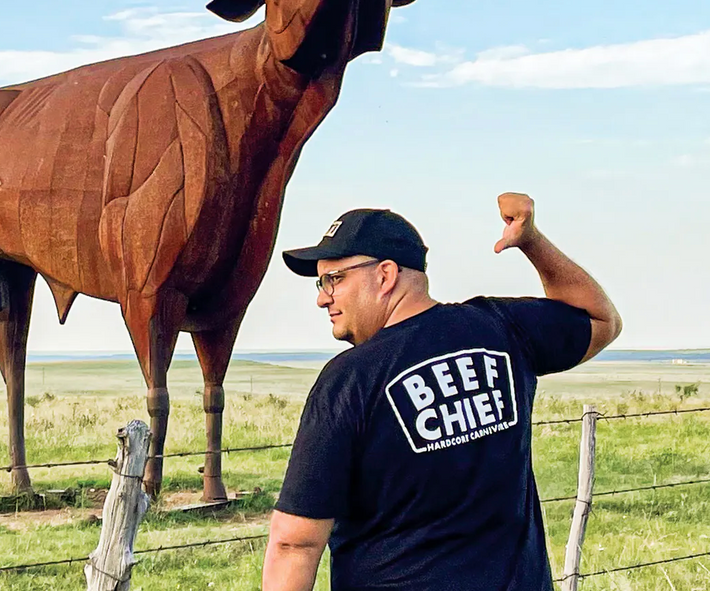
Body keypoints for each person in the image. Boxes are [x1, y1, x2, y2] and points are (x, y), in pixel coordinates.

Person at [261, 193, 622, 591]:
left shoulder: (348, 381)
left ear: (384, 275)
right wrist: (532, 241)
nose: (321, 297)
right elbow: (600, 319)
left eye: (335, 279)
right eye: (321, 281)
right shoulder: (502, 329)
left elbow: (294, 542)